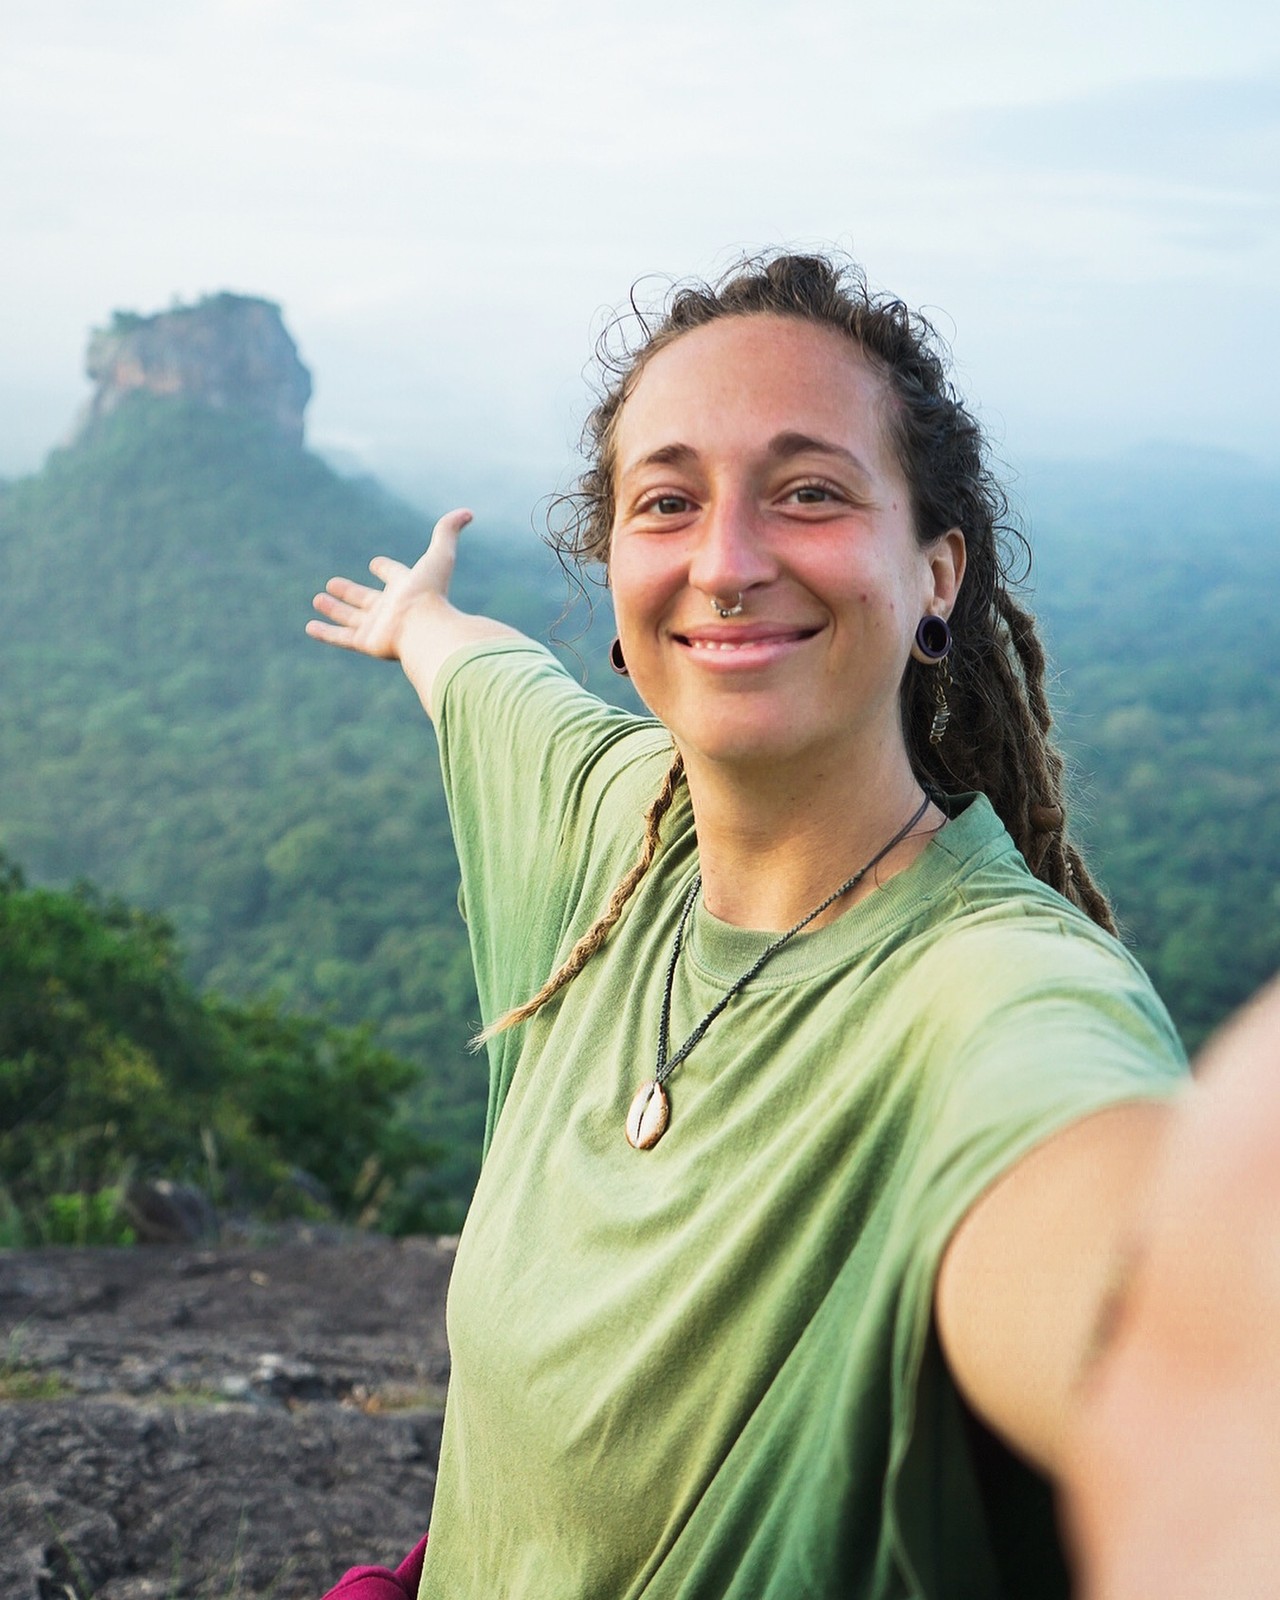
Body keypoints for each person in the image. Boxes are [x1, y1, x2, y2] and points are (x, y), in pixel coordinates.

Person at [305, 252, 1250, 1597]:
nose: (727, 563)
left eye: (809, 494)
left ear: (937, 569)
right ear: (620, 583)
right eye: (667, 502)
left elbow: (1140, 1312)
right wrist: (423, 621)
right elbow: (490, 676)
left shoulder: (994, 993)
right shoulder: (605, 828)